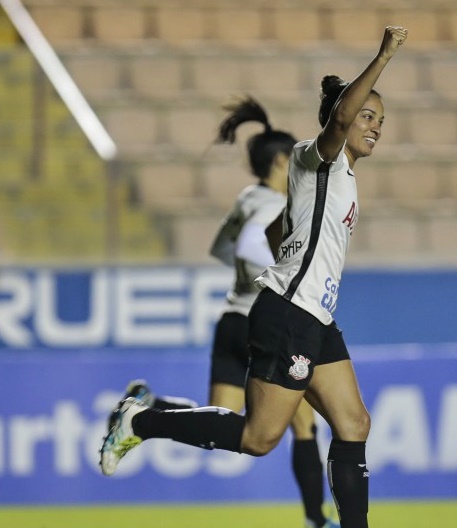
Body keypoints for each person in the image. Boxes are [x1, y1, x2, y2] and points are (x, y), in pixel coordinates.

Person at [99, 26, 409, 528]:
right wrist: (383, 57)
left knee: (354, 423)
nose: (375, 126)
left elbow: (281, 233)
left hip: (314, 316)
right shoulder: (317, 157)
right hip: (289, 314)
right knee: (258, 439)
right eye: (367, 116)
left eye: (382, 120)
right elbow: (341, 118)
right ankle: (142, 421)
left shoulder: (342, 178)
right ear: (340, 120)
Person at [116, 95, 336, 528]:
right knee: (302, 424)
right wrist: (278, 271)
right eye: (294, 164)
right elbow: (255, 242)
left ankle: (151, 406)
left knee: (225, 417)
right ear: (278, 163)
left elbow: (222, 248)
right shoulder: (273, 204)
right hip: (267, 324)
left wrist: (248, 270)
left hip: (232, 318)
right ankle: (316, 518)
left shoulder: (246, 198)